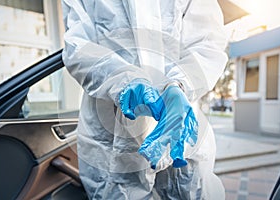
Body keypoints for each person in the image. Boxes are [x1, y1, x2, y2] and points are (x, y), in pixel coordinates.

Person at [61, 0, 228, 199]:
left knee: (190, 189)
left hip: (178, 117)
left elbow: (207, 44)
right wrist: (124, 80)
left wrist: (181, 84)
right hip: (111, 132)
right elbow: (78, 47)